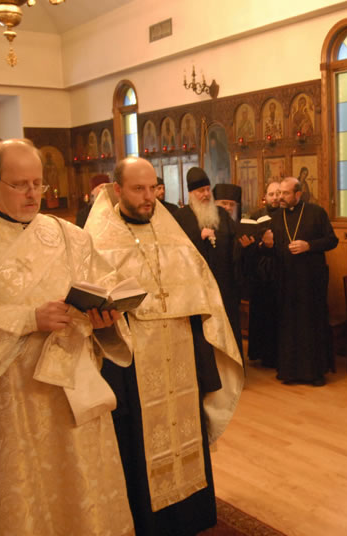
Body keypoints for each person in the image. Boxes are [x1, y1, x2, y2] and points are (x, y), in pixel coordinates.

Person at [0, 139, 135, 535]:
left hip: (73, 385)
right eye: (19, 184)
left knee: (82, 487)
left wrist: (105, 321)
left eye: (38, 183)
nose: (32, 193)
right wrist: (29, 318)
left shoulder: (71, 236)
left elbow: (101, 289)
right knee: (21, 492)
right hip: (10, 394)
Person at [84, 157, 243, 535]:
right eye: (138, 189)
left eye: (152, 188)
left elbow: (201, 289)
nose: (148, 197)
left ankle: (191, 515)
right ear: (117, 190)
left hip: (181, 355)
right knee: (139, 440)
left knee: (187, 431)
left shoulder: (172, 232)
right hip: (133, 362)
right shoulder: (98, 240)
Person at [260, 177, 338, 385]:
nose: (281, 197)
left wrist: (309, 246)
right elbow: (273, 252)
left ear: (297, 194)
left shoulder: (316, 213)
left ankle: (314, 373)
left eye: (285, 193)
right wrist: (267, 246)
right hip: (285, 281)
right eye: (279, 193)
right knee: (288, 327)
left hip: (311, 282)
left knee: (310, 326)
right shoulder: (276, 218)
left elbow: (332, 240)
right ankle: (289, 372)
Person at [175, 168, 244, 358]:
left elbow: (233, 243)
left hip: (224, 284)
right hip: (197, 288)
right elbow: (176, 251)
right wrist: (199, 237)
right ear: (191, 193)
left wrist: (244, 245)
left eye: (207, 189)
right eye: (201, 191)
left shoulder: (221, 214)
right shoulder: (181, 217)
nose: (206, 194)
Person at [242, 181, 282, 367]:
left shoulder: (286, 216)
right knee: (261, 314)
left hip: (279, 272)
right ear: (265, 196)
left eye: (278, 193)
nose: (275, 197)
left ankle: (277, 355)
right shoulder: (256, 216)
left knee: (278, 315)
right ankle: (262, 354)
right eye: (271, 194)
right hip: (260, 274)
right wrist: (255, 245)